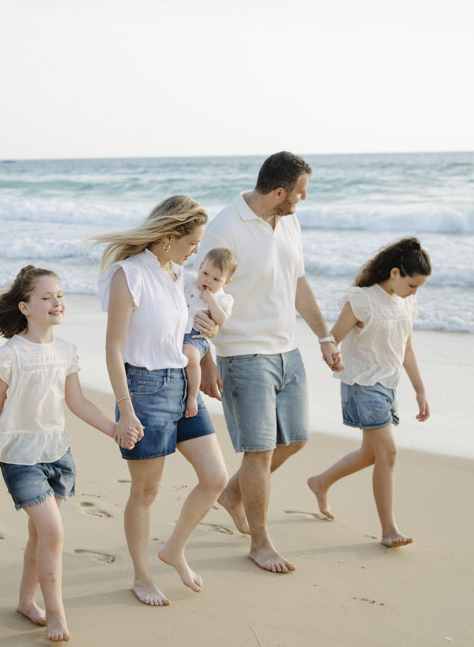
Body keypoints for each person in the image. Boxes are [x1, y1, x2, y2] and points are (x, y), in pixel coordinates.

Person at [0, 265, 139, 643]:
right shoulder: (10, 355)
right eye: (46, 297)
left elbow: (78, 402)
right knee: (53, 531)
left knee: (39, 534)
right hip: (20, 458)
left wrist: (114, 430)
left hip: (58, 454)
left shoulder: (66, 351)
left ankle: (26, 602)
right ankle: (56, 613)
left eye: (59, 295)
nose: (57, 302)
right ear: (25, 307)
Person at [199, 151, 342, 574]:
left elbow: (298, 282)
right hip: (243, 353)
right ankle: (260, 543)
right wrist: (205, 361)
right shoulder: (225, 228)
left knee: (295, 439)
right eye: (300, 192)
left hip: (286, 349)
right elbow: (200, 295)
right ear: (279, 192)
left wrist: (325, 336)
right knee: (258, 452)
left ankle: (232, 493)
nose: (303, 199)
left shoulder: (289, 221)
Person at [96, 195, 229, 607]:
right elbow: (113, 349)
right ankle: (141, 576)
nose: (196, 251)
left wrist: (208, 337)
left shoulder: (181, 277)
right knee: (146, 492)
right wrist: (126, 409)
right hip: (143, 390)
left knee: (216, 477)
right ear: (169, 236)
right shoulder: (129, 275)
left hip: (181, 385)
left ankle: (174, 549)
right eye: (192, 242)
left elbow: (190, 328)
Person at [307, 238, 431, 548]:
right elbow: (332, 339)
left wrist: (420, 390)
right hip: (362, 385)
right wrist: (333, 356)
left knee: (370, 454)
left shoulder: (407, 302)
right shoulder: (363, 300)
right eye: (412, 285)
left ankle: (320, 482)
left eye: (419, 288)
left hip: (388, 385)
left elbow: (407, 349)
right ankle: (389, 530)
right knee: (388, 453)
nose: (414, 293)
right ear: (395, 273)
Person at [182, 247, 236, 418]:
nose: (208, 280)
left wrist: (211, 299)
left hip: (195, 335)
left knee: (190, 356)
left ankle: (192, 397)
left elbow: (221, 319)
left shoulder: (222, 298)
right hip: (178, 329)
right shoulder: (190, 280)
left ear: (226, 282)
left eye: (216, 279)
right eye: (205, 273)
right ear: (200, 267)